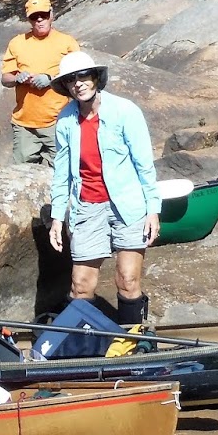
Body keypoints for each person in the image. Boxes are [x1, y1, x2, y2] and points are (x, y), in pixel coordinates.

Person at [46, 51, 161, 325]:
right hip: (87, 206)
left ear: (96, 77)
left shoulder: (125, 111)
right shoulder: (65, 120)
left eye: (83, 76)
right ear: (66, 86)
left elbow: (144, 164)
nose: (78, 83)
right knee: (80, 285)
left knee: (128, 280)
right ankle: (86, 344)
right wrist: (57, 217)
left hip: (127, 206)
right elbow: (62, 173)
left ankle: (133, 341)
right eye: (71, 80)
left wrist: (153, 210)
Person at [0, 0, 80, 165]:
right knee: (22, 174)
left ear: (51, 14)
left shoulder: (67, 42)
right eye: (34, 17)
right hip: (24, 125)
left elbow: (79, 74)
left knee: (63, 171)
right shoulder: (17, 43)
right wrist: (18, 78)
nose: (39, 20)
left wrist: (51, 79)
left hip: (58, 121)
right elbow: (5, 78)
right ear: (28, 19)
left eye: (43, 15)